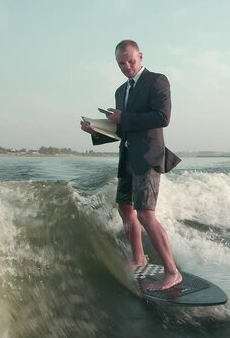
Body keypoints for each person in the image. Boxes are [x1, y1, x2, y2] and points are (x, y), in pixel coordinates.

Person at [80, 39, 182, 291]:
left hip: (148, 157)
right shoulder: (120, 91)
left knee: (145, 215)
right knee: (125, 209)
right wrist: (94, 129)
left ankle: (172, 271)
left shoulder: (157, 80)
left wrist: (123, 117)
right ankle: (139, 258)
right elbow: (122, 128)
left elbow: (162, 117)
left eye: (130, 61)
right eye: (121, 63)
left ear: (140, 57)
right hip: (127, 155)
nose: (126, 66)